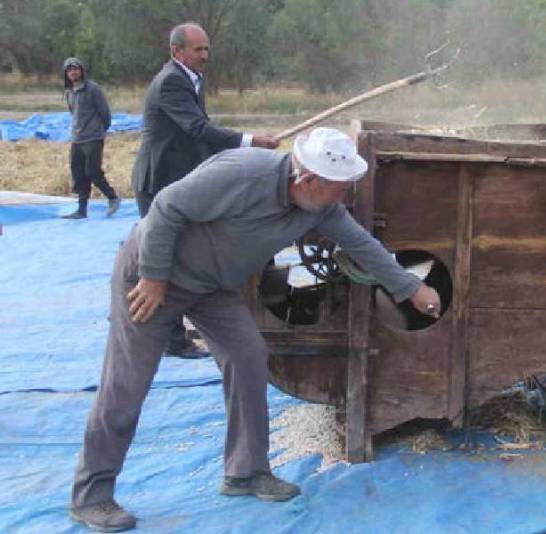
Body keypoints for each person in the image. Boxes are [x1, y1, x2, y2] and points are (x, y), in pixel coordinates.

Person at [70, 127, 442, 532]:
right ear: (308, 180)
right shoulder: (243, 174)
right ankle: (92, 495)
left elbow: (361, 245)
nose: (345, 196)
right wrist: (155, 275)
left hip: (212, 288)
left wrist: (410, 288)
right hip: (151, 279)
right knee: (126, 384)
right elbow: (167, 206)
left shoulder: (320, 205)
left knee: (248, 357)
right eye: (339, 187)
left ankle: (245, 471)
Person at [132, 22, 279, 358]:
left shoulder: (191, 79)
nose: (204, 55)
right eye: (197, 49)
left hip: (179, 182)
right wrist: (250, 141)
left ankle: (177, 329)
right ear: (177, 51)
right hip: (159, 183)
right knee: (161, 259)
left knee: (180, 256)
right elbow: (198, 128)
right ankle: (170, 340)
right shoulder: (171, 82)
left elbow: (200, 134)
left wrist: (241, 154)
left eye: (206, 49)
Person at [60, 57, 121, 219]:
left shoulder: (93, 89)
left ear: (82, 71)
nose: (73, 72)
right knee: (78, 174)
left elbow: (105, 113)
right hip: (77, 138)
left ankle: (113, 198)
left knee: (93, 172)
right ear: (66, 73)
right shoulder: (69, 91)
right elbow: (73, 113)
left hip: (93, 137)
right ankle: (82, 210)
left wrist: (100, 130)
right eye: (70, 70)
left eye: (76, 69)